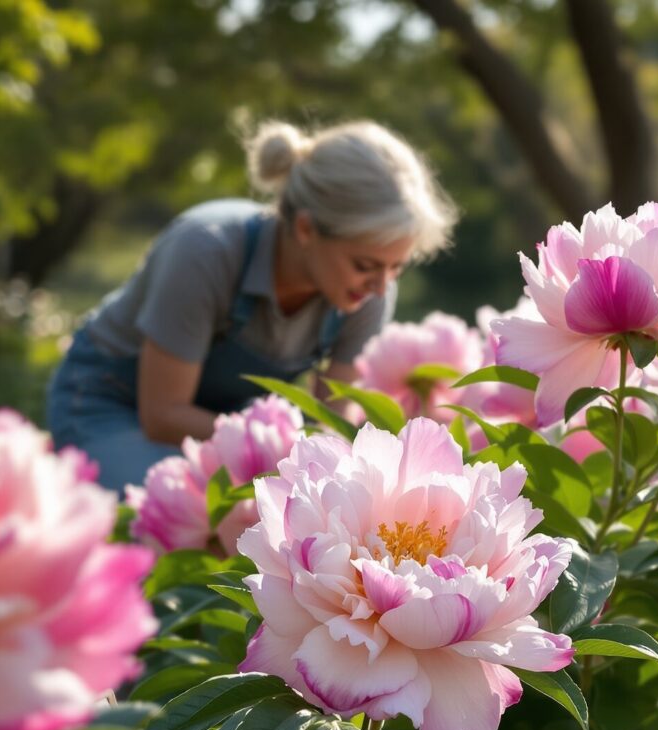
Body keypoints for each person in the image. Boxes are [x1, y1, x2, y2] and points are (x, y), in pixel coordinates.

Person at [47, 119, 457, 491]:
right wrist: (281, 448)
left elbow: (332, 423)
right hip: (112, 403)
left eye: (396, 268)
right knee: (166, 511)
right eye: (366, 265)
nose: (381, 288)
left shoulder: (366, 293)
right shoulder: (205, 250)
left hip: (226, 424)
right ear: (305, 229)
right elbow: (162, 415)